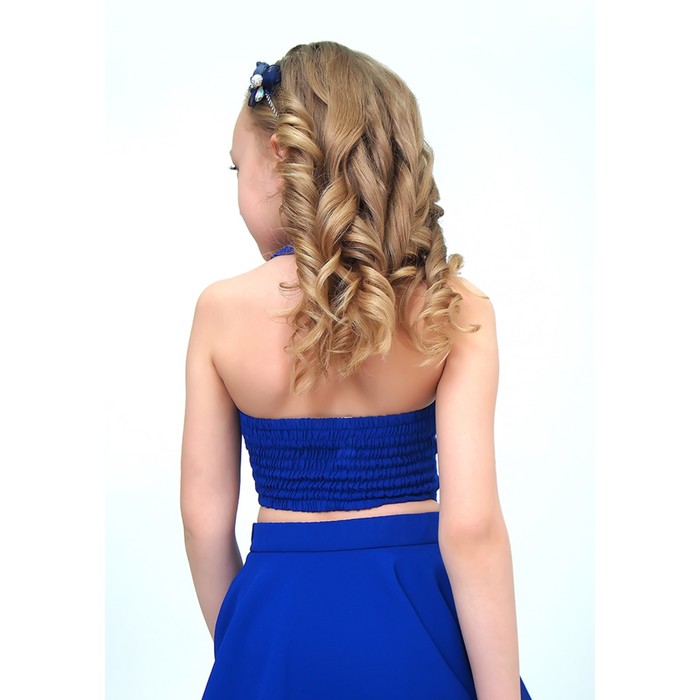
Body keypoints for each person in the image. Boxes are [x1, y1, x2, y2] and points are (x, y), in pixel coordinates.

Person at [181, 41, 532, 700]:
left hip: (276, 628)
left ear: (280, 157)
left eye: (236, 167)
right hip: (416, 627)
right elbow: (472, 529)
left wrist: (248, 648)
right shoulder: (454, 309)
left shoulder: (220, 313)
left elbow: (203, 522)